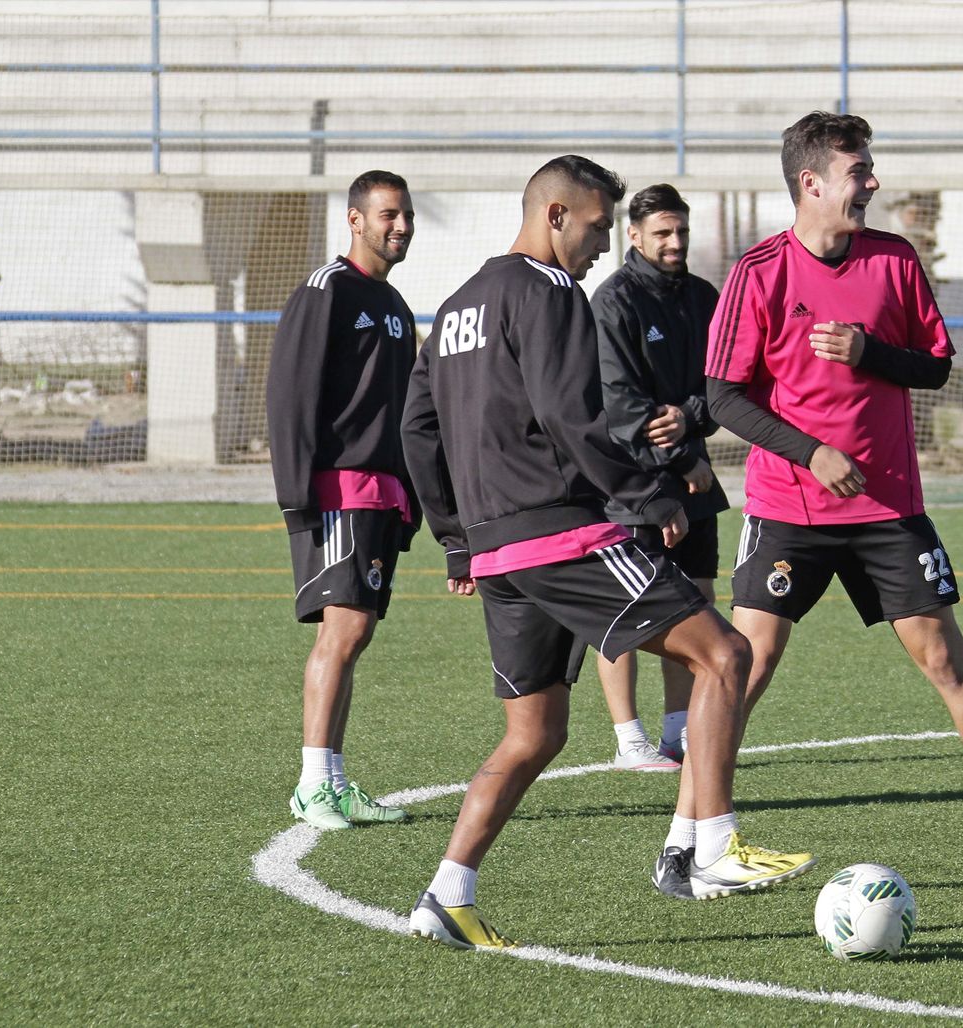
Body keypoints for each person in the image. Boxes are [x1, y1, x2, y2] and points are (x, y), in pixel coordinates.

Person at [400, 156, 813, 950]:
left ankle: (446, 895)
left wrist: (456, 537)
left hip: (496, 550)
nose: (597, 248)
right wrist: (649, 495)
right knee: (725, 654)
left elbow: (419, 430)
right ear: (555, 214)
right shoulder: (548, 291)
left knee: (535, 733)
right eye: (593, 228)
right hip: (560, 531)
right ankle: (716, 849)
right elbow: (570, 416)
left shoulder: (456, 305)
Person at [701, 111, 963, 898]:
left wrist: (870, 354)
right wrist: (811, 452)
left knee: (945, 661)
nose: (872, 184)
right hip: (788, 506)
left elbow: (934, 369)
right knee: (742, 668)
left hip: (888, 506)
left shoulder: (894, 261)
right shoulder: (759, 271)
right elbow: (722, 397)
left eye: (869, 170)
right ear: (812, 183)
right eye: (858, 172)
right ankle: (689, 841)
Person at [266, 170, 420, 831]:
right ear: (355, 219)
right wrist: (298, 496)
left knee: (355, 636)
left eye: (407, 214)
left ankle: (332, 778)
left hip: (379, 495)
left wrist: (410, 497)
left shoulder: (394, 304)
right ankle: (311, 784)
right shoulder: (324, 292)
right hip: (336, 490)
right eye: (388, 214)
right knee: (344, 629)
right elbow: (290, 396)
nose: (401, 225)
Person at [590, 183, 727, 773]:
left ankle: (680, 731)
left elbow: (728, 385)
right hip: (633, 485)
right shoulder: (613, 301)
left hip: (693, 482)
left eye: (682, 232)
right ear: (635, 236)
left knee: (695, 601)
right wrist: (680, 457)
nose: (675, 243)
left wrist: (692, 418)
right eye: (663, 234)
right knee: (625, 611)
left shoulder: (704, 297)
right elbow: (619, 403)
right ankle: (630, 739)